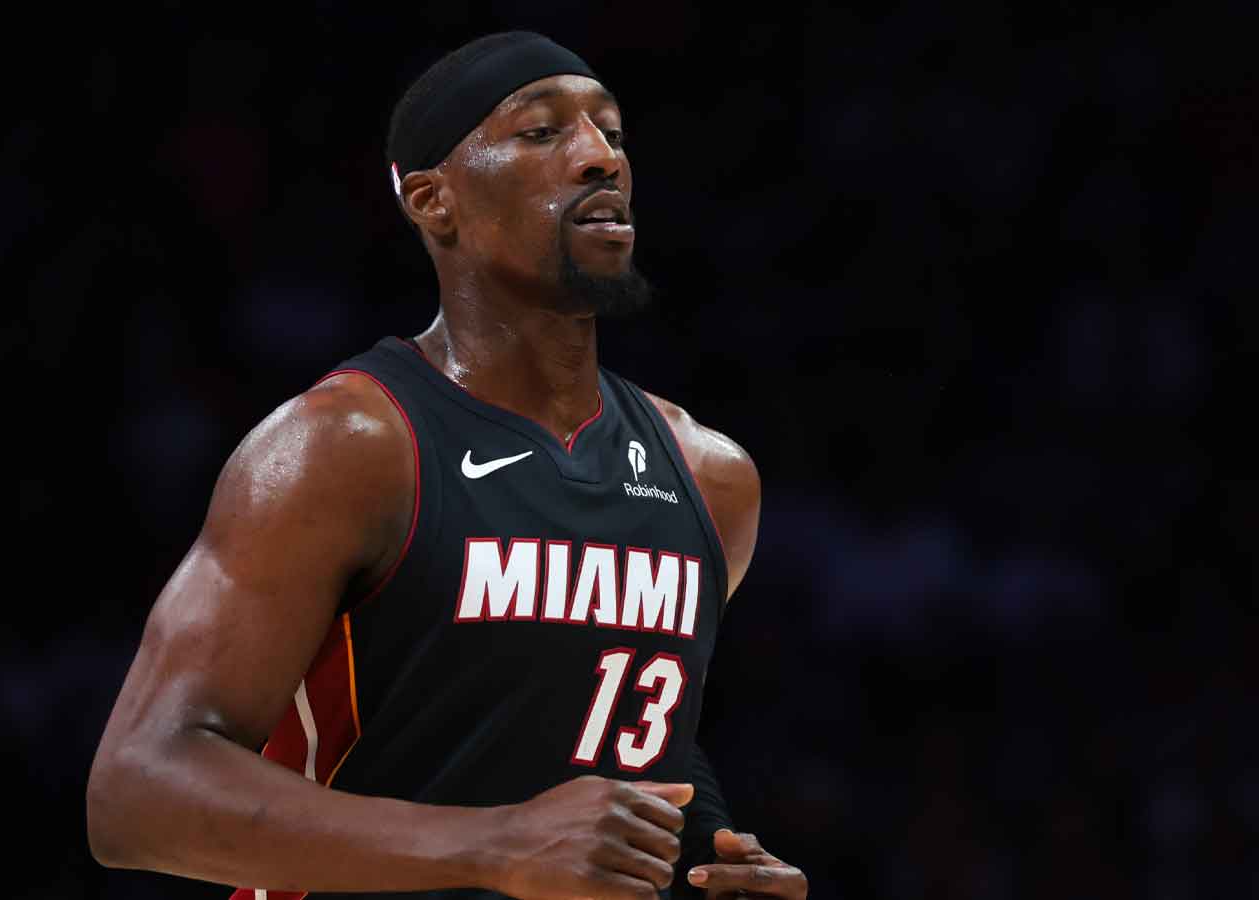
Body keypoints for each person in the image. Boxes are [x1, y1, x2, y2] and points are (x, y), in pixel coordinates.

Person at [86, 31, 808, 900]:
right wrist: (494, 844)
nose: (600, 158)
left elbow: (617, 731)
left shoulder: (710, 478)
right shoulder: (348, 446)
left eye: (613, 133)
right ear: (433, 201)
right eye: (542, 131)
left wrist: (712, 859)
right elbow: (134, 793)